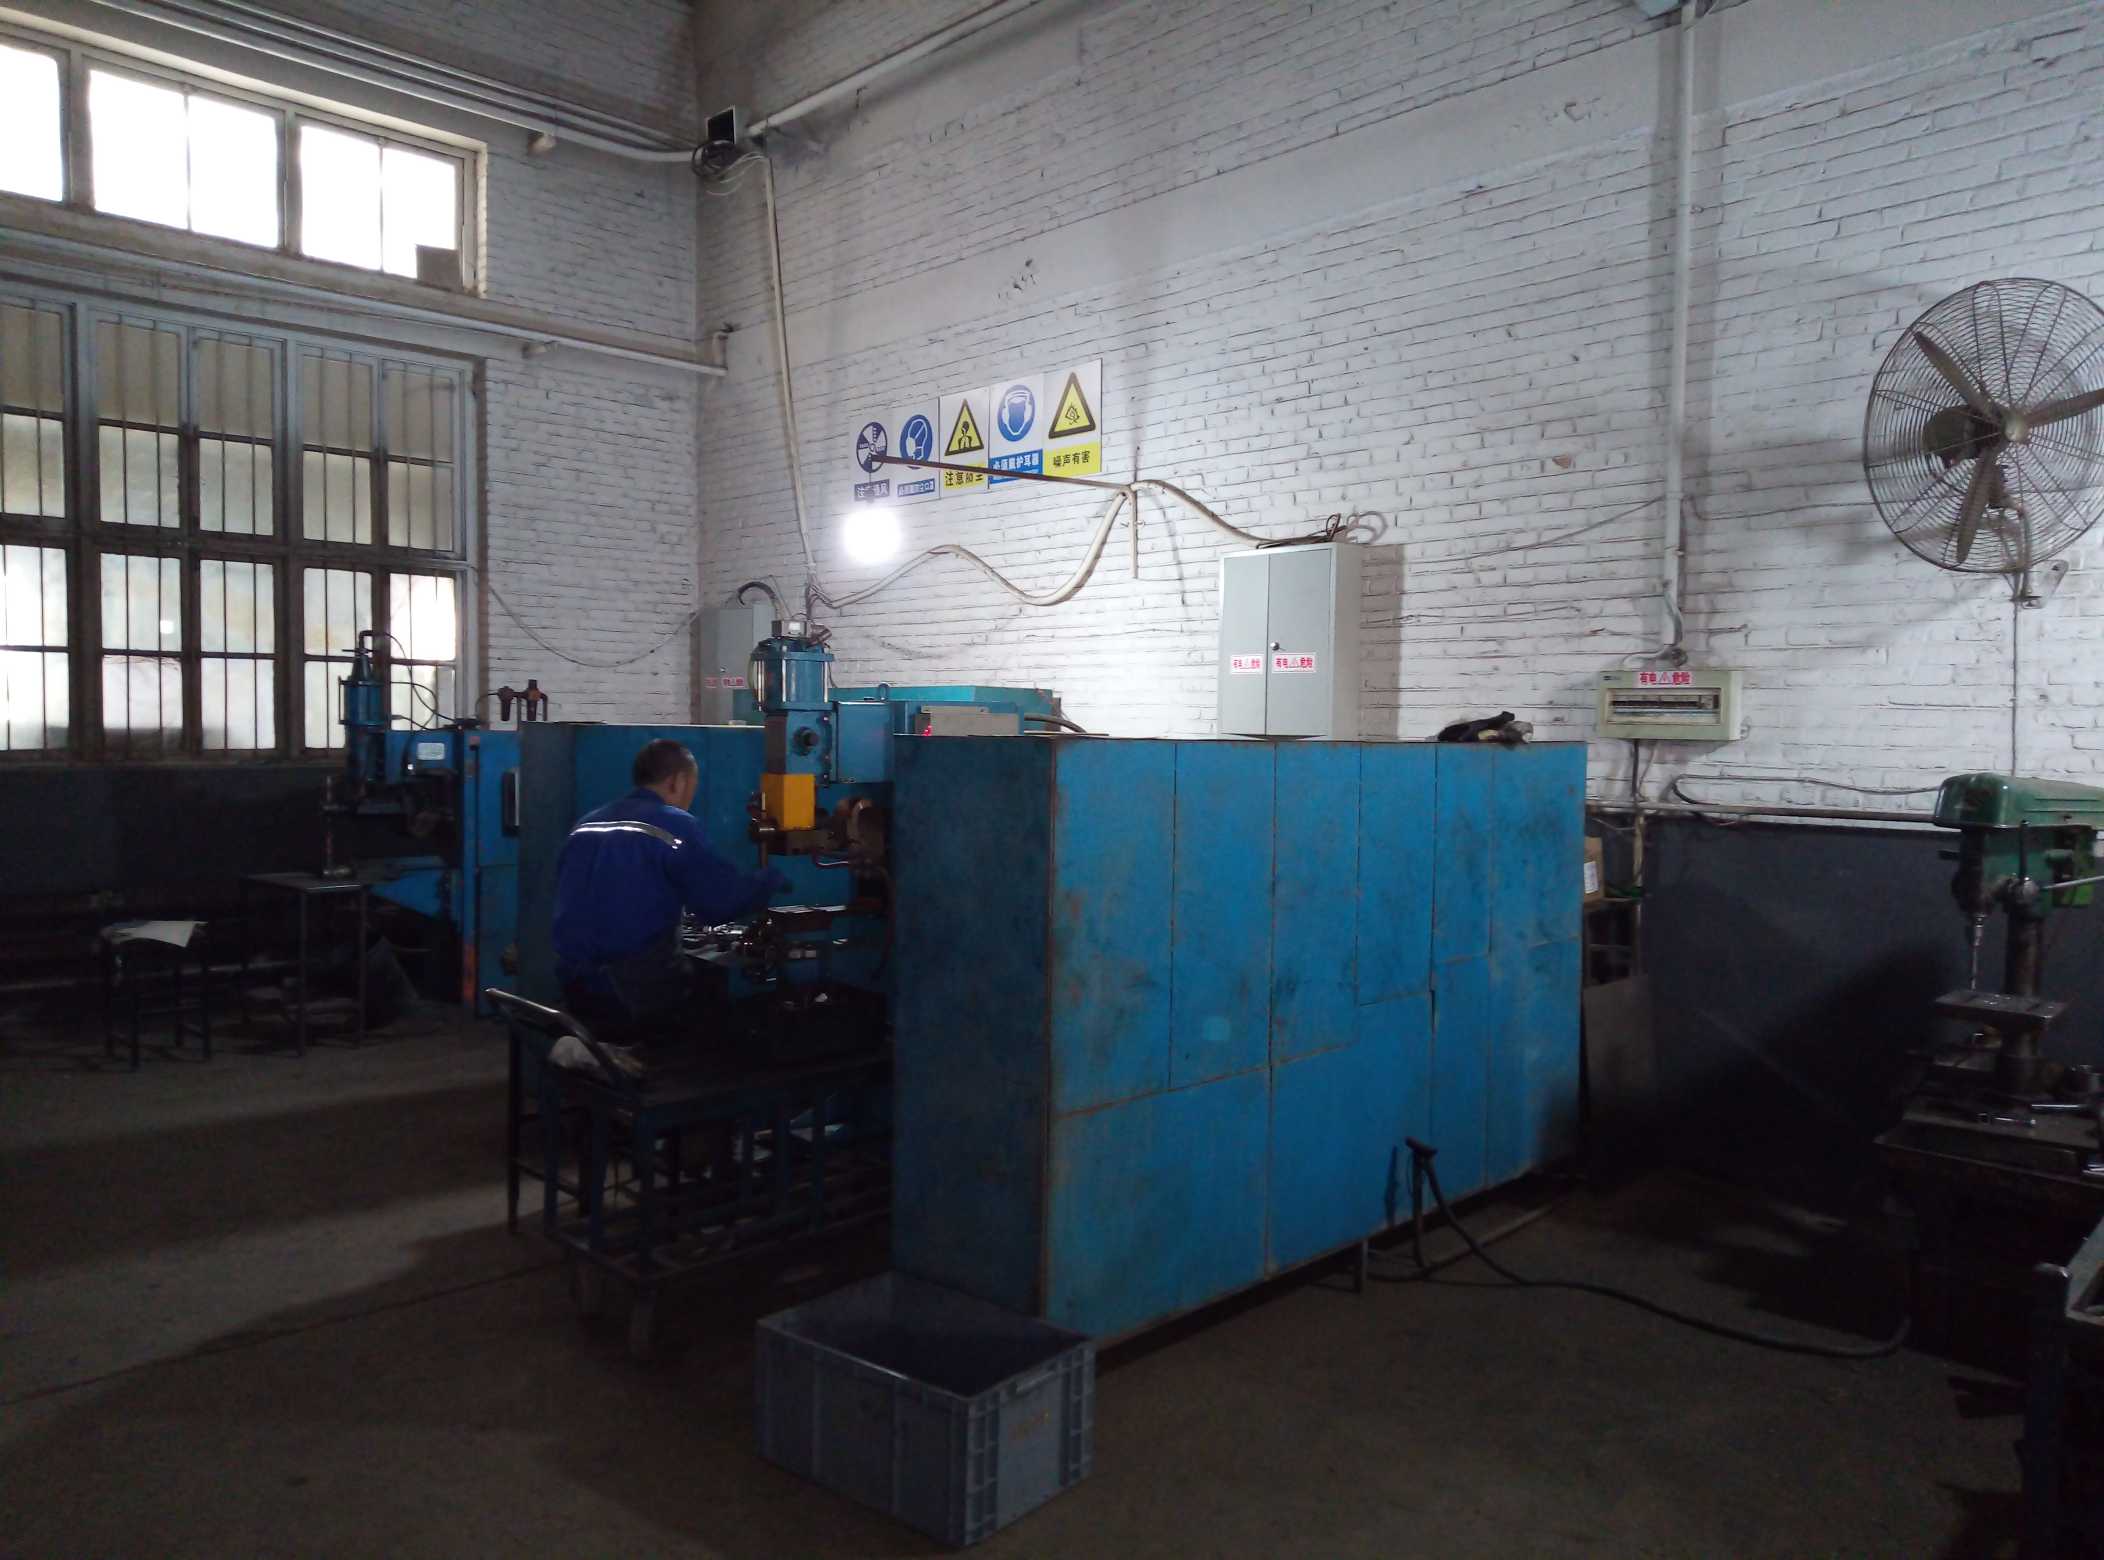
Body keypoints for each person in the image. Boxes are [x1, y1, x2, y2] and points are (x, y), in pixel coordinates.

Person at [552, 738, 788, 1044]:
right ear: (677, 781)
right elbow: (719, 904)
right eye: (692, 786)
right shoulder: (674, 825)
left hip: (574, 984)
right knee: (726, 1011)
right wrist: (773, 879)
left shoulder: (586, 825)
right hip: (633, 988)